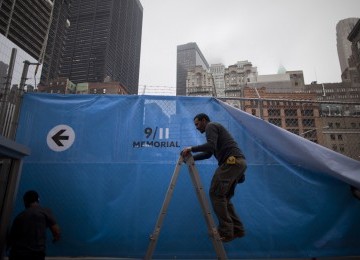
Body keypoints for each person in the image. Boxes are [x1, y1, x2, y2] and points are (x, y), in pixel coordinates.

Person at [181, 113, 247, 243]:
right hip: (237, 163)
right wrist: (191, 158)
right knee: (224, 198)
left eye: (197, 124)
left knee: (216, 194)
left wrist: (190, 148)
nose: (196, 127)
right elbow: (208, 153)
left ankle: (226, 231)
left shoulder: (211, 126)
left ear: (204, 120)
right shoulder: (214, 129)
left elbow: (210, 146)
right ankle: (237, 229)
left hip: (231, 162)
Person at [7, 190, 61, 260]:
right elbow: (56, 231)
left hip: (17, 254)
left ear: (25, 202)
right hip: (36, 254)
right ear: (38, 200)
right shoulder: (45, 212)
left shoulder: (19, 216)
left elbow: (11, 239)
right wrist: (56, 238)